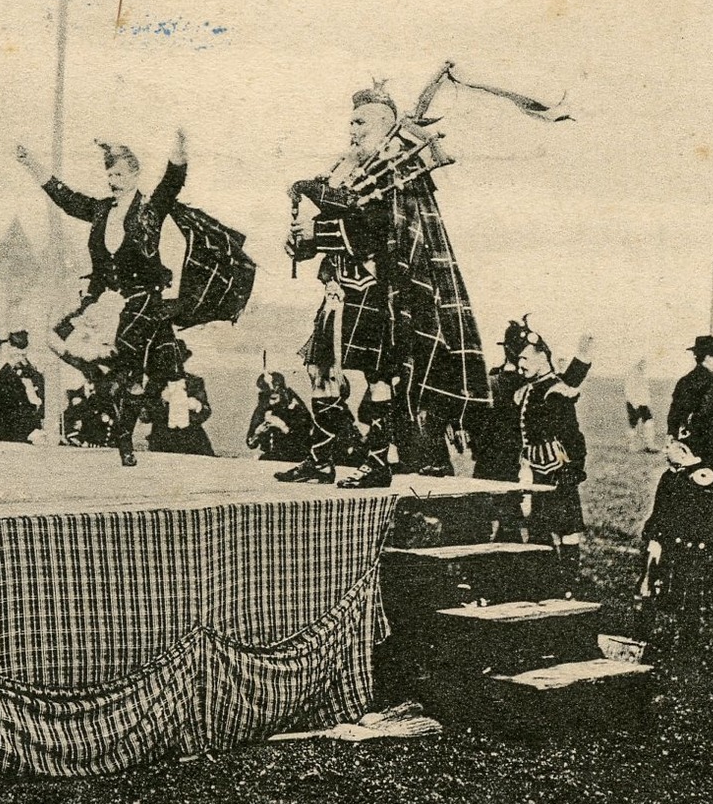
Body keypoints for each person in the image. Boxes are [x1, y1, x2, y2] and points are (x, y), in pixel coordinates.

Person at [280, 83, 490, 488]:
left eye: (360, 122)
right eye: (351, 122)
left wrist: (317, 231)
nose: (352, 130)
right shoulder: (346, 169)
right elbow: (331, 227)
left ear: (383, 127)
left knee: (377, 378)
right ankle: (322, 460)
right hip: (336, 289)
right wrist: (299, 241)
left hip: (374, 291)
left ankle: (377, 464)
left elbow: (377, 231)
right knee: (317, 370)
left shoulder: (395, 175)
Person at [18, 130, 189, 465]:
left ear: (135, 175)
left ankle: (125, 437)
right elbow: (66, 199)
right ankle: (99, 378)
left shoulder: (149, 209)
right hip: (104, 299)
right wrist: (32, 165)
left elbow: (172, 183)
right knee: (56, 339)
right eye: (109, 175)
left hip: (140, 300)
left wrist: (179, 152)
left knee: (131, 371)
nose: (113, 181)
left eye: (120, 175)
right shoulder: (99, 210)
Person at [469, 319, 593, 541]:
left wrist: (582, 358)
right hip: (510, 459)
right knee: (518, 521)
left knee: (556, 525)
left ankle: (554, 571)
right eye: (517, 354)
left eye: (523, 356)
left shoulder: (532, 383)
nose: (520, 362)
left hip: (543, 465)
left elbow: (559, 391)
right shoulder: (505, 380)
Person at [637, 431, 713, 658]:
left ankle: (688, 642)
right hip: (665, 542)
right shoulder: (670, 476)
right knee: (648, 585)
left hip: (690, 549)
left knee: (690, 593)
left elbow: (703, 522)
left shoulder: (702, 479)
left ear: (685, 451)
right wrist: (653, 537)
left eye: (671, 445)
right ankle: (641, 636)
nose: (665, 449)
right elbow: (660, 512)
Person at [515, 330, 588, 582]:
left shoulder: (556, 391)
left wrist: (575, 467)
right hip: (533, 471)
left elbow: (573, 435)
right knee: (537, 527)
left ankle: (568, 582)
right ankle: (543, 580)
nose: (520, 364)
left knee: (567, 529)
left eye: (525, 358)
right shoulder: (528, 390)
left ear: (542, 358)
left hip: (558, 470)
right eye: (518, 359)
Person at [666, 334, 713, 524]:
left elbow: (674, 415)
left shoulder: (684, 381)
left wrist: (676, 438)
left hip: (687, 449)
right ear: (709, 357)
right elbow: (706, 415)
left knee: (690, 493)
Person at [144, 347, 214, 456]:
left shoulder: (194, 382)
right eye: (169, 360)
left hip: (192, 440)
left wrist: (196, 406)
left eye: (178, 360)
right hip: (162, 440)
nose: (174, 364)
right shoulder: (155, 384)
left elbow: (206, 411)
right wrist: (162, 403)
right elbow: (145, 416)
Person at [245, 371, 314, 462]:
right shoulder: (263, 408)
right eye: (266, 397)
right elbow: (251, 444)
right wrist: (257, 433)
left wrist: (283, 426)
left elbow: (305, 440)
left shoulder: (296, 408)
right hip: (270, 457)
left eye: (274, 398)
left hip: (294, 458)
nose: (271, 403)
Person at [7, 330, 47, 430]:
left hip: (30, 422)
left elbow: (41, 398)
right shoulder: (6, 372)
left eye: (22, 355)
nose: (19, 358)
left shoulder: (33, 373)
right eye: (15, 355)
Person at [63, 377, 119, 448]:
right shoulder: (78, 399)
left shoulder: (100, 397)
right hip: (85, 435)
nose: (93, 391)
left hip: (98, 435)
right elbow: (72, 416)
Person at [625, 357, 658, 452]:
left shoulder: (642, 374)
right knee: (634, 424)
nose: (644, 365)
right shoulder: (633, 375)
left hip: (642, 403)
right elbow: (629, 390)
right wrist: (634, 403)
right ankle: (632, 446)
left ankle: (649, 445)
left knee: (648, 422)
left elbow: (644, 390)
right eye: (642, 363)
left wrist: (647, 401)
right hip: (634, 403)